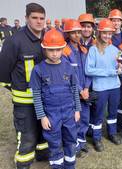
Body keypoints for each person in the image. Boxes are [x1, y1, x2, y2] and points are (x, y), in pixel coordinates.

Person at [0, 3, 49, 168]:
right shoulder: (14, 41)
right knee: (27, 137)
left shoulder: (47, 39)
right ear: (26, 18)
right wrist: (18, 89)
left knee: (44, 133)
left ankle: (42, 155)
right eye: (34, 18)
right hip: (24, 102)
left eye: (41, 18)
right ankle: (23, 164)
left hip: (45, 100)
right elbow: (3, 74)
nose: (38, 21)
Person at [30, 29, 81, 169]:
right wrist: (42, 117)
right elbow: (36, 95)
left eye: (58, 49)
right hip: (51, 115)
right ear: (44, 49)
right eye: (51, 50)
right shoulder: (38, 70)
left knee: (70, 141)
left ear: (63, 49)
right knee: (54, 143)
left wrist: (77, 109)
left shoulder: (68, 67)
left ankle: (70, 165)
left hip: (69, 112)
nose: (54, 53)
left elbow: (74, 89)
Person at [85, 18, 122, 152]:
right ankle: (96, 138)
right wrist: (109, 72)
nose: (107, 36)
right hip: (100, 88)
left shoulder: (116, 50)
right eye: (104, 33)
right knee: (98, 113)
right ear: (99, 33)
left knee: (112, 112)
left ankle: (112, 133)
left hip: (114, 87)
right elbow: (88, 70)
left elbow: (120, 66)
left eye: (110, 33)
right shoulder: (93, 50)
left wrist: (120, 67)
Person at [62, 19, 91, 156]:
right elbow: (68, 74)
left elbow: (88, 71)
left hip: (84, 92)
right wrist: (80, 90)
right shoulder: (64, 51)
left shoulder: (84, 50)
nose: (77, 35)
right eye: (73, 32)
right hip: (72, 93)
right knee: (74, 121)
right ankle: (74, 145)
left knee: (84, 118)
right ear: (68, 33)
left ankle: (82, 142)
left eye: (78, 32)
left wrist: (86, 88)